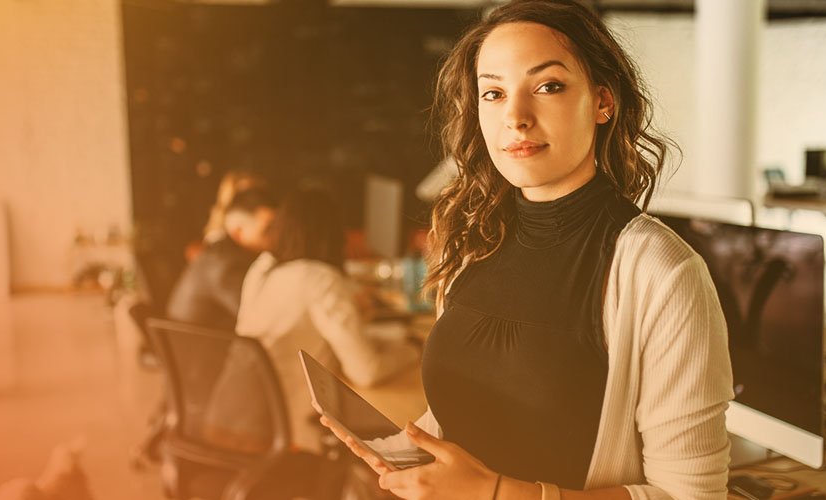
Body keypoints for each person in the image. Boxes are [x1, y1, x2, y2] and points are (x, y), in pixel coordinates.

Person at [321, 1, 734, 499]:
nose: (515, 118)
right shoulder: (476, 242)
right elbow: (468, 411)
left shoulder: (662, 271)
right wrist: (403, 452)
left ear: (603, 101)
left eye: (548, 86)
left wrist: (494, 493)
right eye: (493, 93)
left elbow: (691, 496)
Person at [237, 187, 420, 453]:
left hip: (237, 415)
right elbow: (366, 371)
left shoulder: (262, 268)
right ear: (332, 234)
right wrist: (412, 349)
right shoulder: (321, 279)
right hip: (290, 432)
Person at [166, 188, 277, 330]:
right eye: (268, 229)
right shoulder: (226, 265)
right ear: (238, 232)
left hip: (192, 342)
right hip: (202, 349)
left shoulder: (221, 252)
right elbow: (257, 318)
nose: (275, 236)